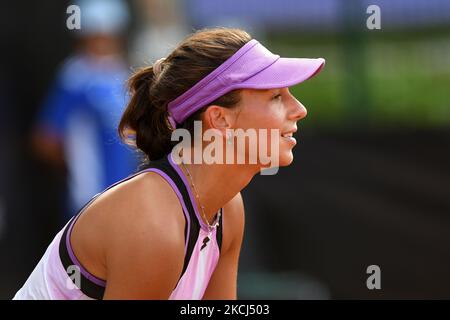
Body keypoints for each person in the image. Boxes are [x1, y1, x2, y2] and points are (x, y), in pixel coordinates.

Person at [14, 27, 325, 300]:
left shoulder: (227, 208)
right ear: (220, 119)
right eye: (276, 97)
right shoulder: (154, 226)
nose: (300, 109)